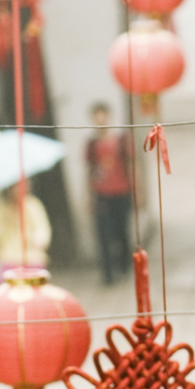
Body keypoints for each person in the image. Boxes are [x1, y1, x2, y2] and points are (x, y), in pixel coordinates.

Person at [85, 100, 134, 284]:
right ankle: (107, 274)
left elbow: (130, 165)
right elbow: (89, 171)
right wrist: (88, 196)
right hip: (102, 194)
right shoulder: (91, 144)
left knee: (122, 232)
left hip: (121, 192)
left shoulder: (120, 141)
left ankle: (125, 267)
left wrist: (137, 189)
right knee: (103, 234)